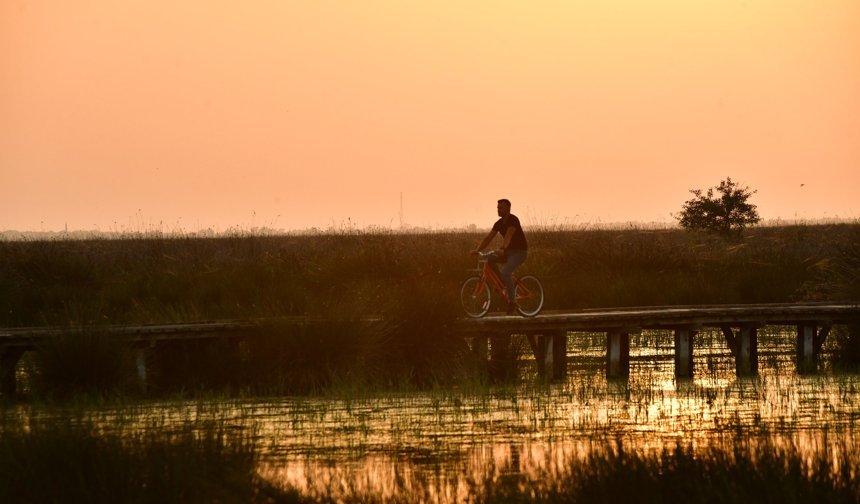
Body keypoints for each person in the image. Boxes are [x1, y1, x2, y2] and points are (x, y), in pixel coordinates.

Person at [471, 198, 528, 315]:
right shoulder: (498, 223)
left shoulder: (513, 220)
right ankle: (501, 282)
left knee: (506, 272)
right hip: (508, 251)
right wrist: (477, 251)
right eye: (497, 208)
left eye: (501, 208)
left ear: (508, 209)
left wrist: (503, 249)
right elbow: (488, 238)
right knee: (490, 258)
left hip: (519, 252)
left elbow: (509, 235)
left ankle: (512, 302)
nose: (498, 210)